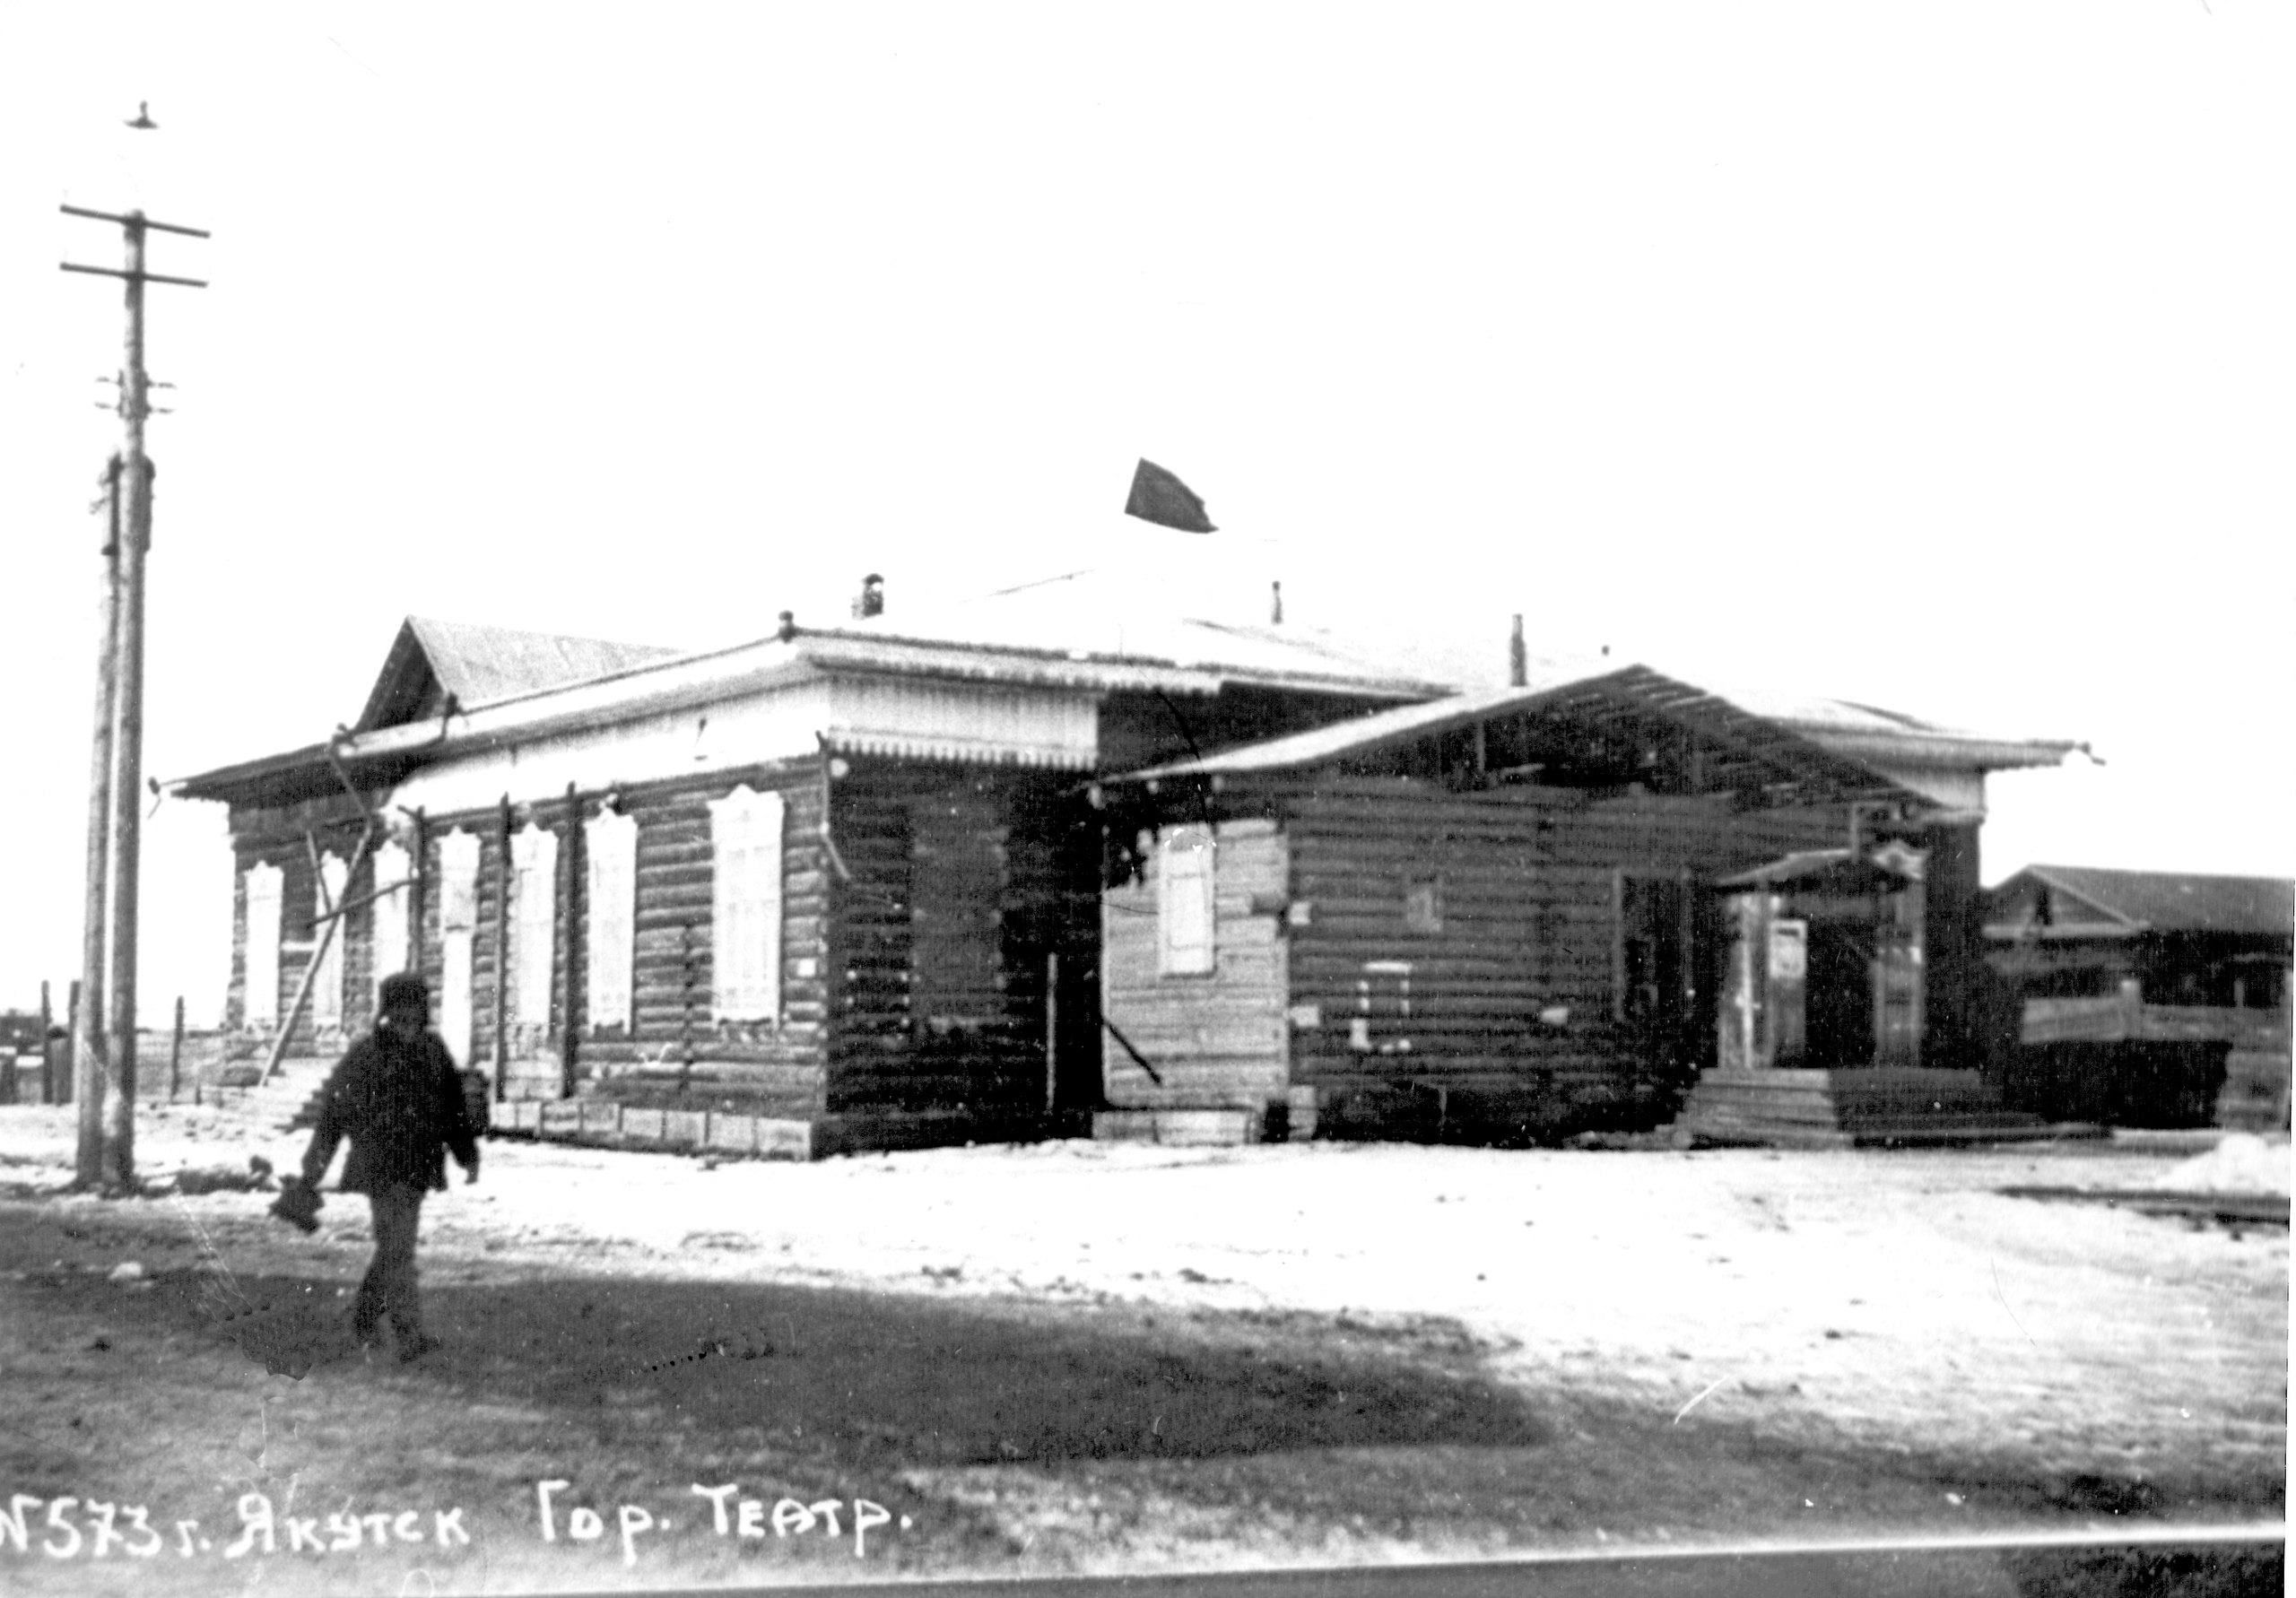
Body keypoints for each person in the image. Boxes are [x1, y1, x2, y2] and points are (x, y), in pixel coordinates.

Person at [296, 971, 479, 1362]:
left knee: (394, 1248)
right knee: (399, 1249)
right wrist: (314, 1167)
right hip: (377, 1166)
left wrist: (468, 1155)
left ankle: (364, 1316)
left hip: (417, 1166)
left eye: (414, 1016)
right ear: (387, 1014)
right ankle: (408, 1334)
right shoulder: (366, 1055)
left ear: (423, 1015)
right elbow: (333, 1113)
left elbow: (453, 1111)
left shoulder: (434, 1052)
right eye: (399, 1017)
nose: (407, 1025)